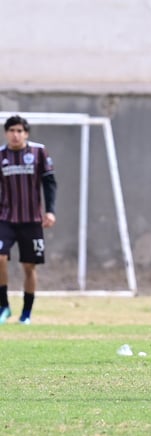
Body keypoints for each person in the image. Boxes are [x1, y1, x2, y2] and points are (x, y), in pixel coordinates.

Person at [0, 115, 57, 326]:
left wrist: (50, 211)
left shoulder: (38, 152)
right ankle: (3, 306)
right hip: (5, 218)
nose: (16, 135)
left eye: (19, 131)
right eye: (12, 130)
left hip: (32, 219)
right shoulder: (1, 155)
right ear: (6, 133)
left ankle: (26, 313)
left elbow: (49, 183)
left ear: (26, 133)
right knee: (0, 257)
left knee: (29, 267)